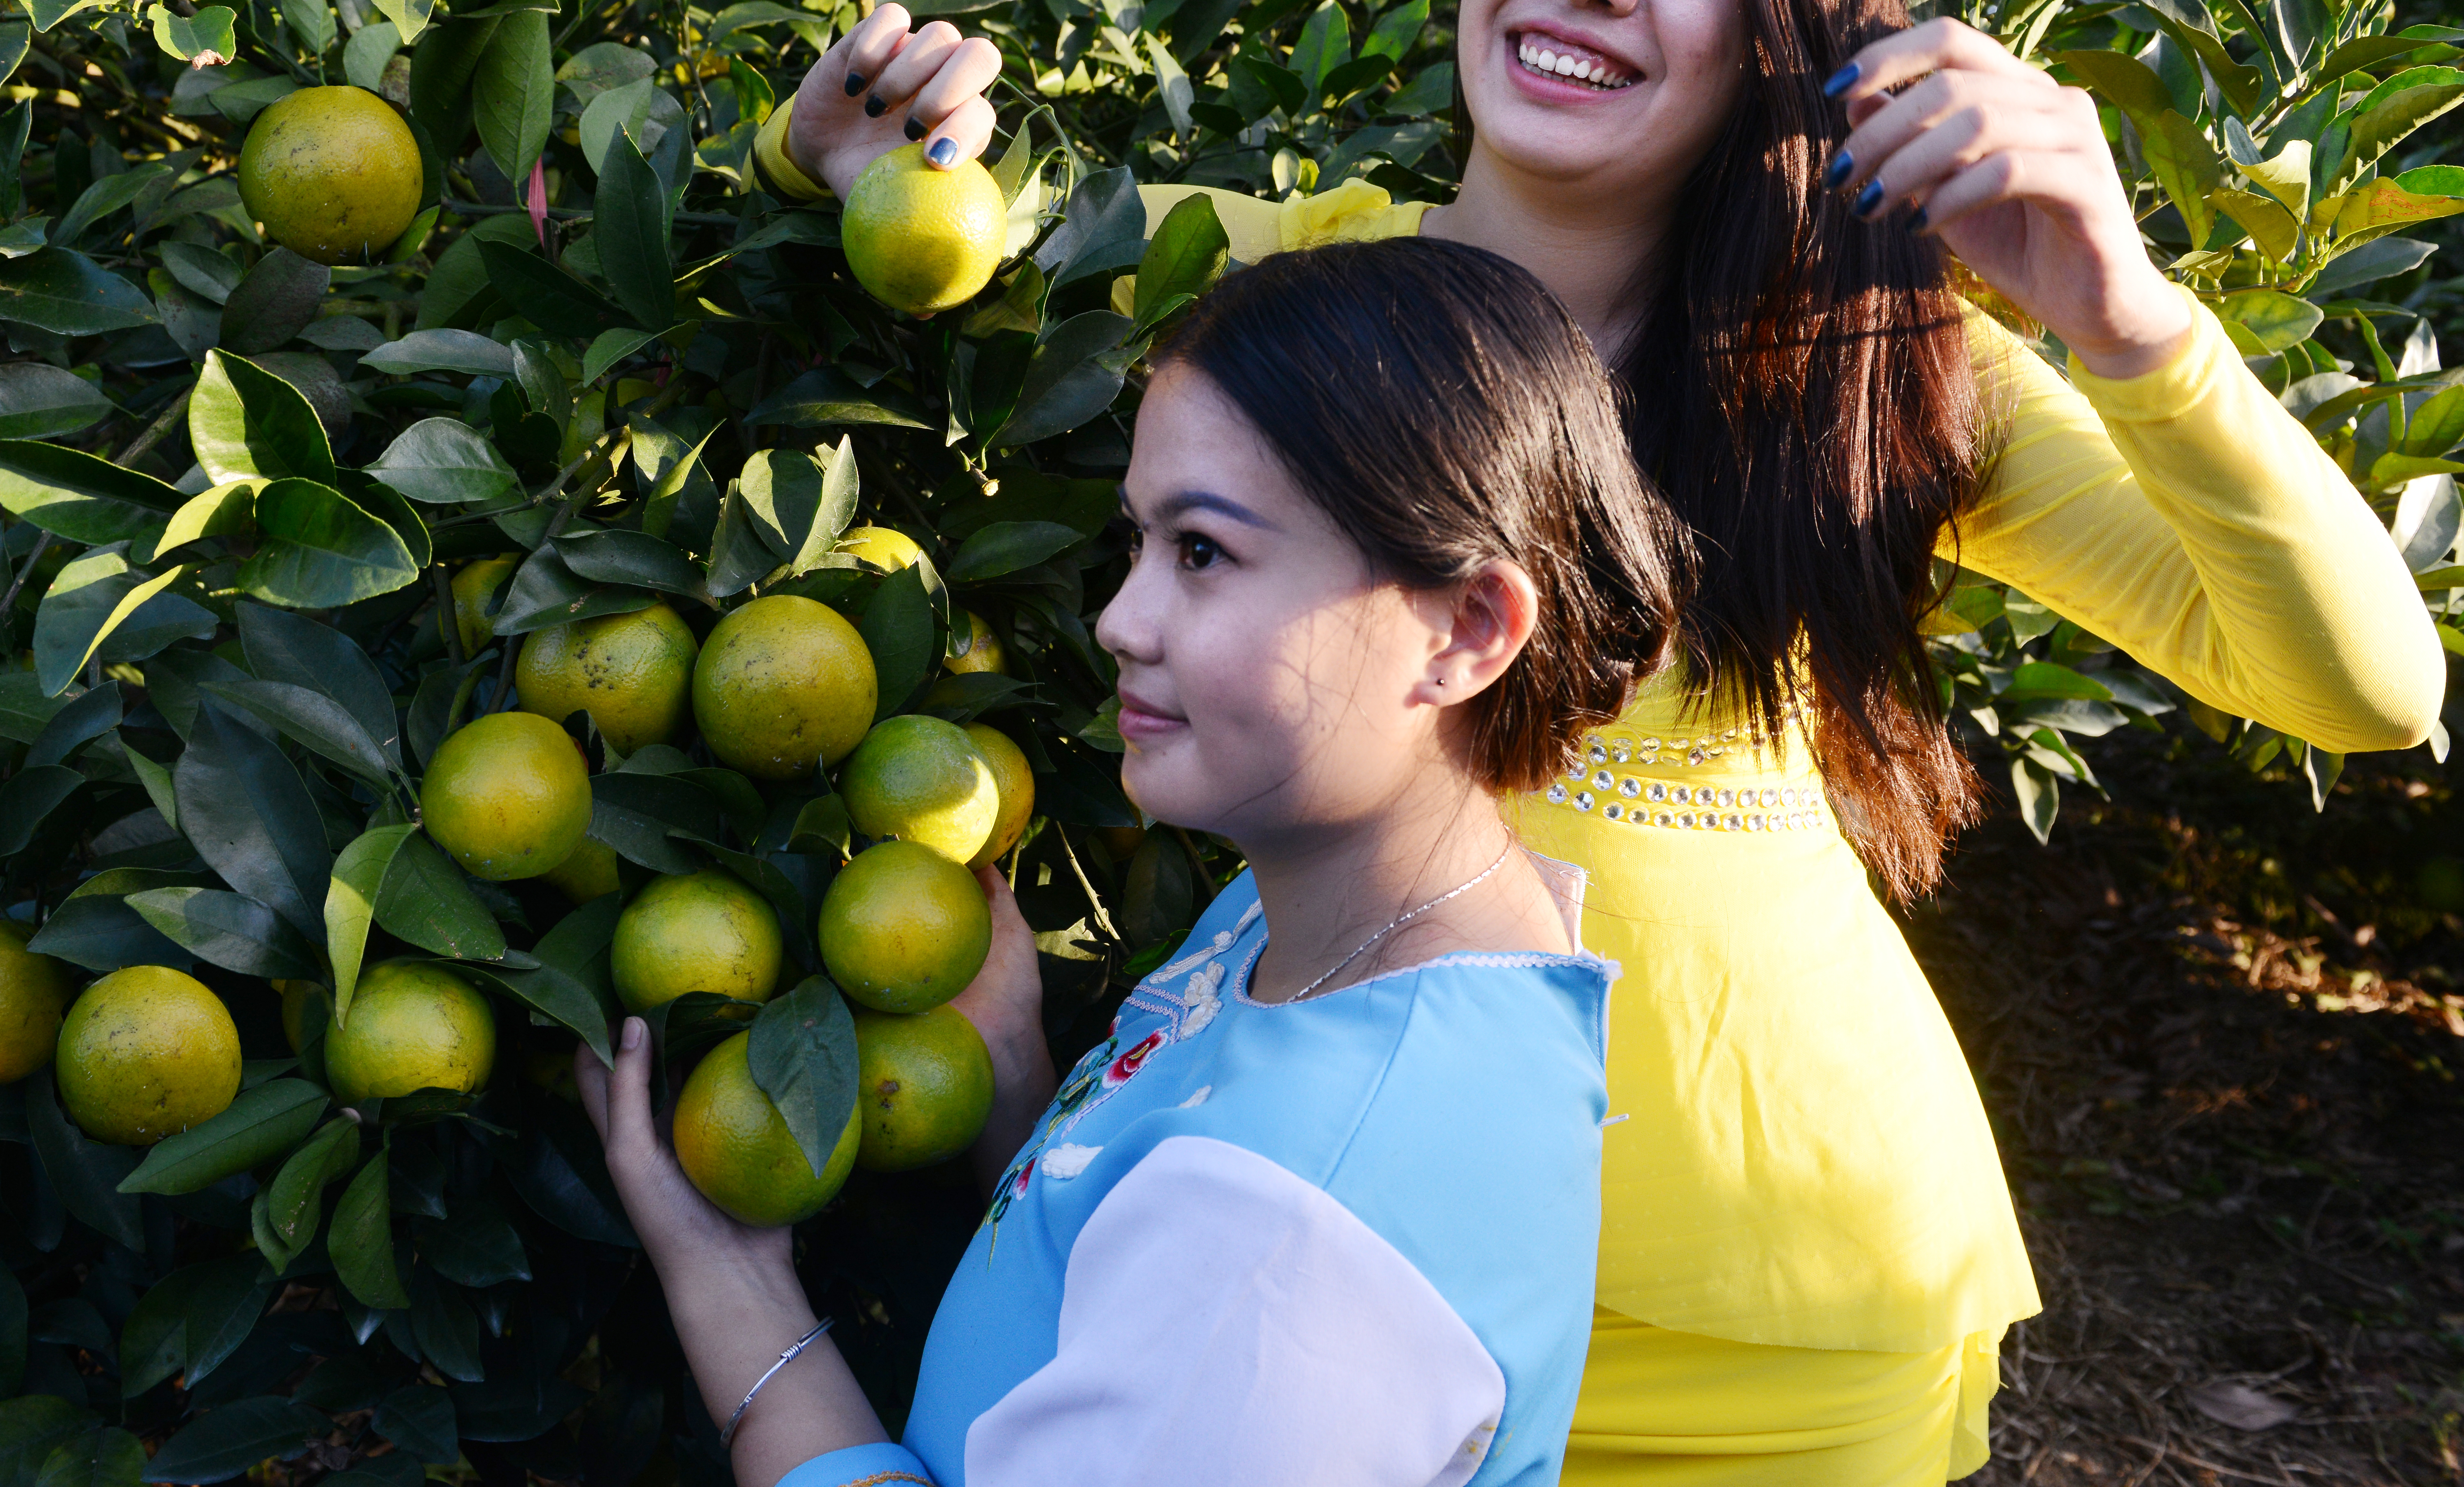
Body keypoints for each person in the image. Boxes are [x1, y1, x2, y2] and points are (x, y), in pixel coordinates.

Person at [770, 0, 2448, 1484]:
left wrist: (2127, 322)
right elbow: (973, 245)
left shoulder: (1869, 371)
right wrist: (861, 160)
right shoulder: (1300, 287)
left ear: (1782, 30)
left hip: (1773, 1313)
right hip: (1352, 1247)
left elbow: (2365, 687)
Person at [581, 236, 1686, 1487]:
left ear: (1465, 630)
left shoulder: (1297, 1239)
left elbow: (1221, 1283)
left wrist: (727, 1286)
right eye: (1140, 544)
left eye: (1204, 552)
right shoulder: (1319, 921)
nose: (1119, 618)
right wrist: (1016, 1081)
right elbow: (1134, 1301)